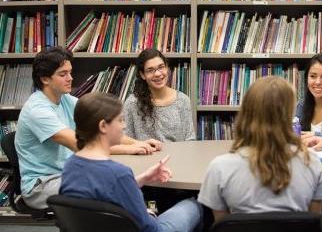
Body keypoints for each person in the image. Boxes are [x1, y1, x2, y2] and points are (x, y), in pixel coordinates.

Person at [15, 47, 161, 209]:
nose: (70, 78)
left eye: (70, 72)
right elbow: (81, 146)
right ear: (45, 79)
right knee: (109, 185)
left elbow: (106, 126)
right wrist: (130, 149)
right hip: (42, 185)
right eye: (63, 74)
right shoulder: (37, 110)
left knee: (114, 180)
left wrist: (138, 143)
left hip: (69, 172)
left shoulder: (65, 99)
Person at [60, 92, 202, 231]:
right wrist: (149, 214)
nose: (125, 126)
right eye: (120, 120)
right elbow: (150, 228)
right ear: (103, 126)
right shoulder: (119, 173)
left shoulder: (70, 165)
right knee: (196, 204)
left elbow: (104, 191)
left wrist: (143, 178)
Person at [198, 76, 322, 222]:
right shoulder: (310, 161)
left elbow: (222, 225)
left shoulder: (219, 168)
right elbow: (314, 222)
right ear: (288, 115)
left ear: (246, 111)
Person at [123, 48, 195, 142]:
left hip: (178, 156)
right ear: (142, 75)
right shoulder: (132, 103)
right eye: (150, 70)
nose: (157, 74)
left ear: (167, 68)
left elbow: (190, 139)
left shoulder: (183, 100)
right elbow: (125, 139)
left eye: (161, 67)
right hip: (144, 156)